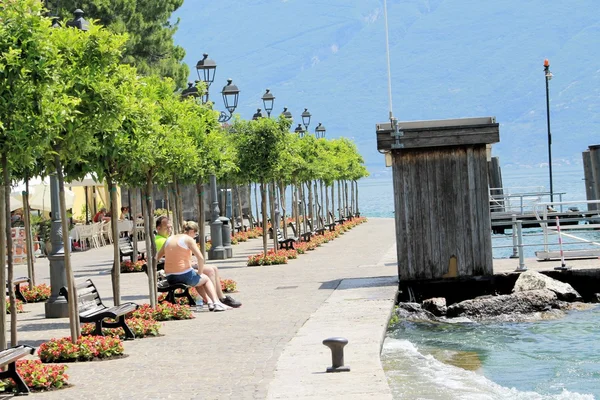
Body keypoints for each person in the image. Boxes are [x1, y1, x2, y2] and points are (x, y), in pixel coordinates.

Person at [155, 216, 241, 309]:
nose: (169, 230)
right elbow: (200, 258)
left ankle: (210, 302)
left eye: (170, 227)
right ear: (191, 231)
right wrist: (199, 273)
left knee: (200, 279)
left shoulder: (168, 240)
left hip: (170, 277)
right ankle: (217, 302)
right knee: (205, 278)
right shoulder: (187, 240)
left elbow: (155, 258)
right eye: (195, 234)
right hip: (183, 274)